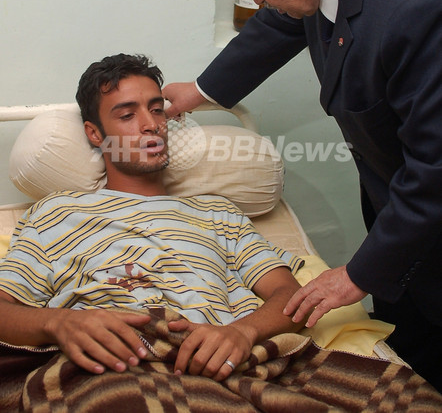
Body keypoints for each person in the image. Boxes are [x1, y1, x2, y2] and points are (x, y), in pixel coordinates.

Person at [162, 0, 442, 391]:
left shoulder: (415, 10)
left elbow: (435, 172)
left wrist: (357, 274)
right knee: (407, 339)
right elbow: (281, 20)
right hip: (400, 210)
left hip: (429, 205)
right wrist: (203, 90)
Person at [0, 53, 307, 382]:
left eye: (157, 109)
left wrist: (242, 332)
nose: (151, 125)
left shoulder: (219, 213)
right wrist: (59, 323)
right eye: (127, 115)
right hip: (104, 367)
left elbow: (289, 295)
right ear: (94, 134)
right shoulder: (56, 213)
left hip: (210, 365)